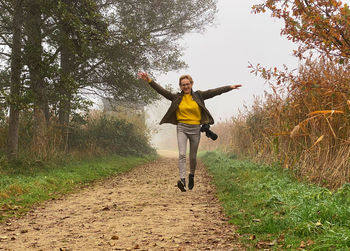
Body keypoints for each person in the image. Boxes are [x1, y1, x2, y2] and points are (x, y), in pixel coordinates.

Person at [138, 72, 241, 192]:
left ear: (191, 84)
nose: (185, 87)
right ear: (180, 86)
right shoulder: (176, 97)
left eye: (187, 84)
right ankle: (182, 180)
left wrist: (230, 87)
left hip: (195, 128)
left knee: (192, 157)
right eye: (183, 85)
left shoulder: (199, 95)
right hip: (182, 127)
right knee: (182, 154)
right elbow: (162, 91)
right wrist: (149, 80)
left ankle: (191, 175)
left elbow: (214, 92)